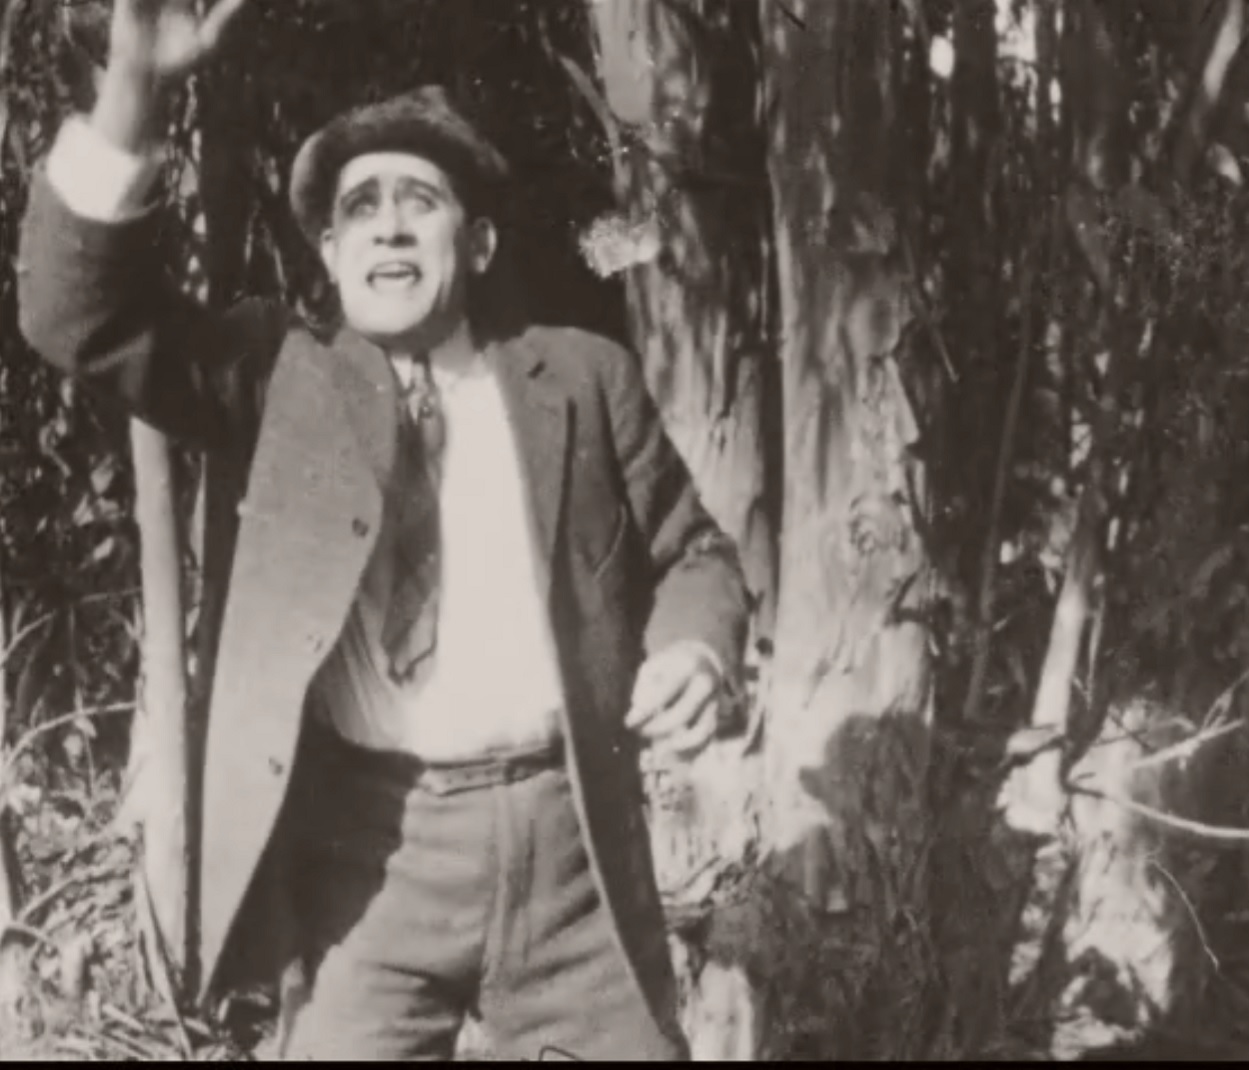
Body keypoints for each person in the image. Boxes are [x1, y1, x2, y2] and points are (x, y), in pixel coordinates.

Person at [17, 0, 749, 1060]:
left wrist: (695, 648)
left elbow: (695, 553)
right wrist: (133, 87)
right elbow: (76, 317)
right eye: (360, 208)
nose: (390, 227)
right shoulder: (280, 376)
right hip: (369, 860)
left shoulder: (582, 380)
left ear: (478, 241)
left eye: (420, 201)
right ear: (330, 251)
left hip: (571, 851)